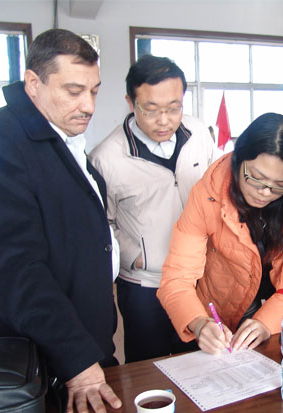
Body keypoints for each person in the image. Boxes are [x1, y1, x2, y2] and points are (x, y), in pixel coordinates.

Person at [0, 29, 122, 413]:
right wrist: (77, 360)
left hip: (87, 345)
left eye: (94, 91)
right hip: (42, 364)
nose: (89, 105)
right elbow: (13, 271)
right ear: (33, 83)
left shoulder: (62, 137)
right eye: (74, 91)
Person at [158, 113, 283, 354]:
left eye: (280, 185)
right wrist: (198, 322)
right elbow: (177, 277)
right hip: (231, 293)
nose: (264, 192)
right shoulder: (208, 193)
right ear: (238, 159)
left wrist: (267, 322)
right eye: (255, 178)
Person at [89, 55, 219, 362]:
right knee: (149, 368)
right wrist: (138, 257)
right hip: (145, 287)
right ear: (130, 103)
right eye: (151, 110)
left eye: (174, 108)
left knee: (200, 361)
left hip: (197, 276)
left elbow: (215, 189)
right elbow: (101, 226)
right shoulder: (106, 158)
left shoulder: (199, 134)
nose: (164, 120)